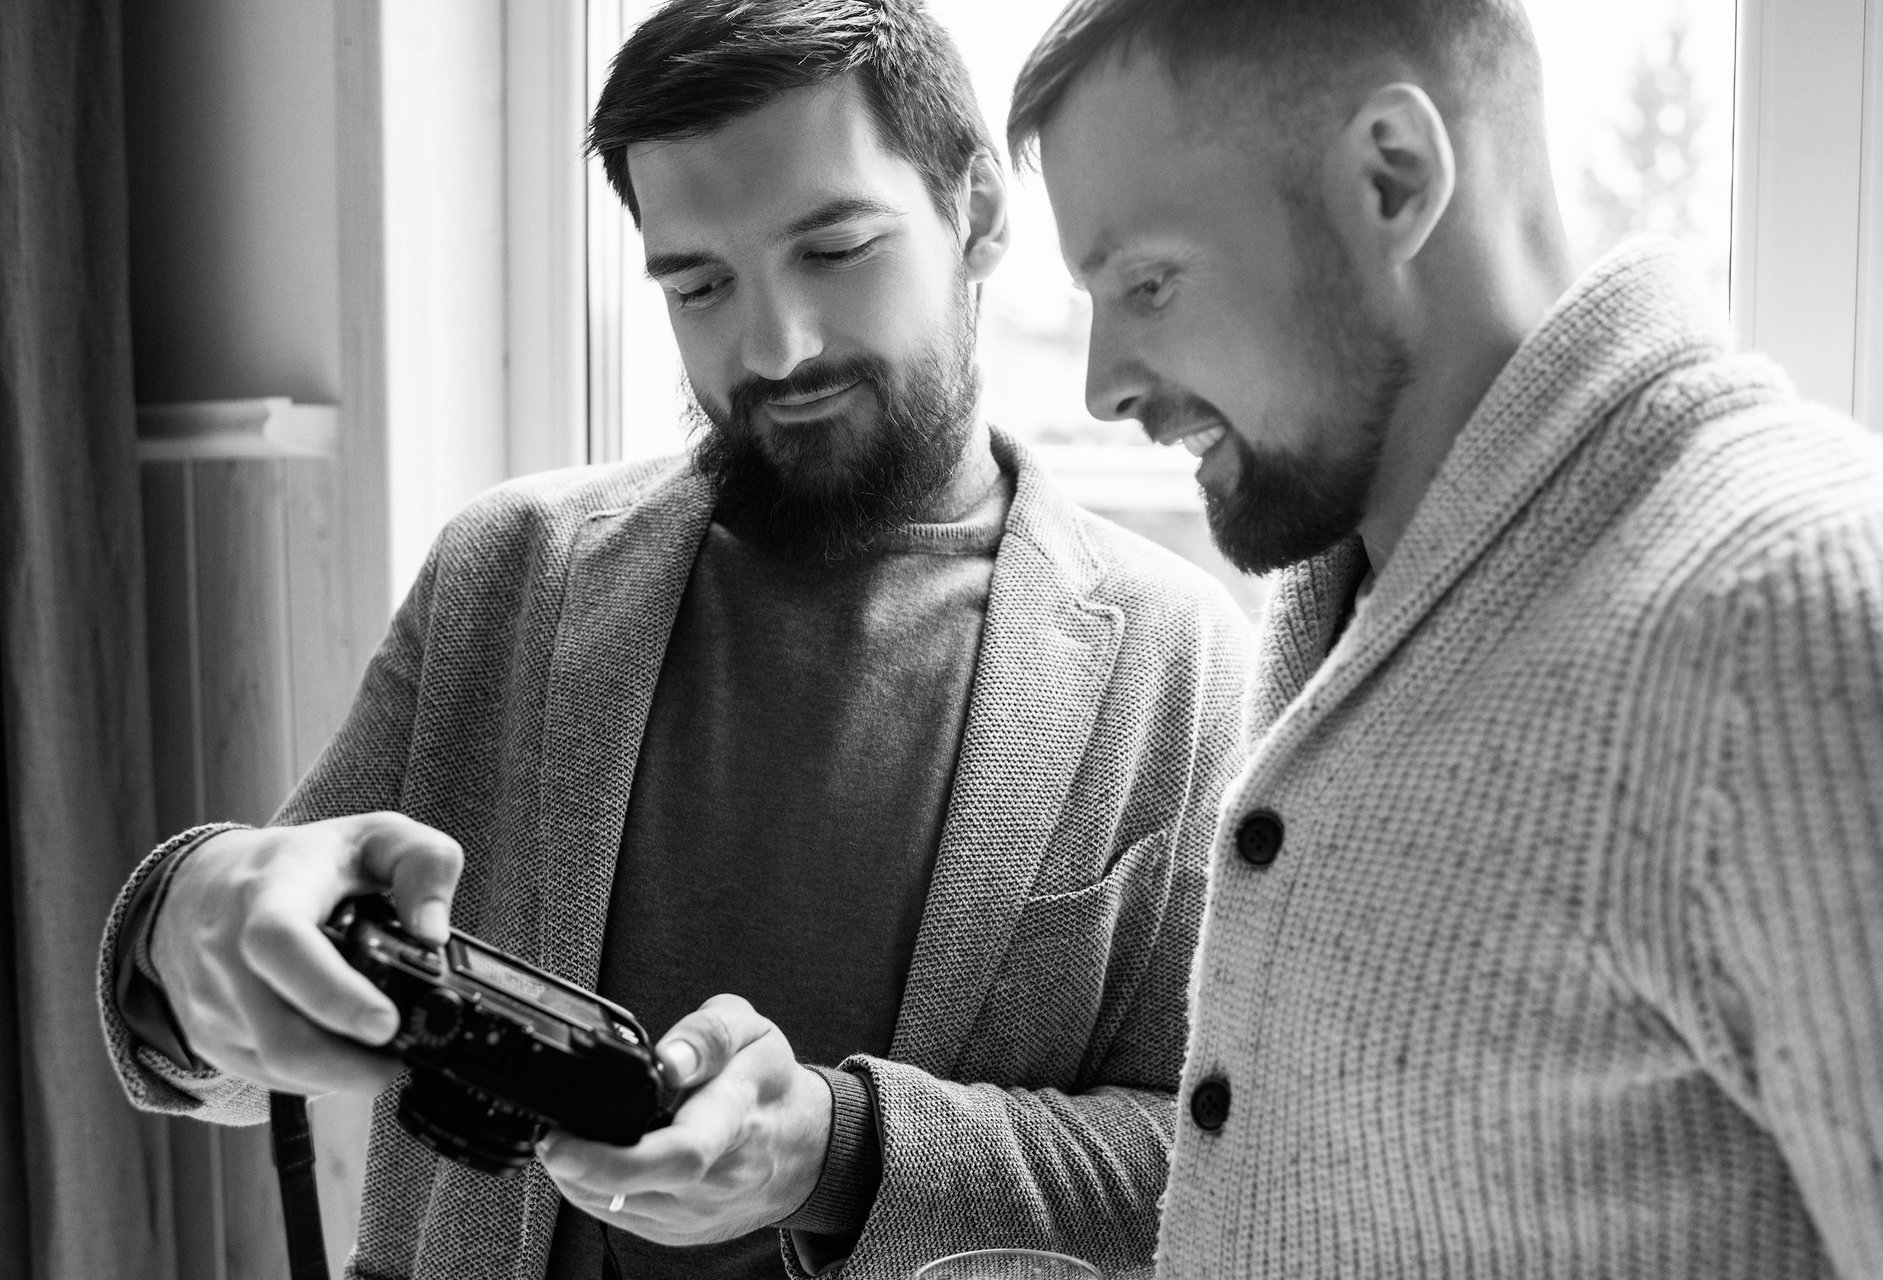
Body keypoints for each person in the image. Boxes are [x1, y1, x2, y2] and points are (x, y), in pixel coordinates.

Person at [95, 3, 1264, 1278]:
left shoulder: (1181, 658)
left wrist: (844, 1151)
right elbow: (241, 1021)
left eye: (835, 248)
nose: (774, 347)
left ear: (977, 214)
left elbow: (1206, 1164)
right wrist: (184, 923)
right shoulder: (506, 573)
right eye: (697, 283)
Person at [1009, 0, 1883, 1277]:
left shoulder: (1795, 623)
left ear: (1395, 176)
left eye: (1147, 280)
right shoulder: (1358, 589)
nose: (1101, 381)